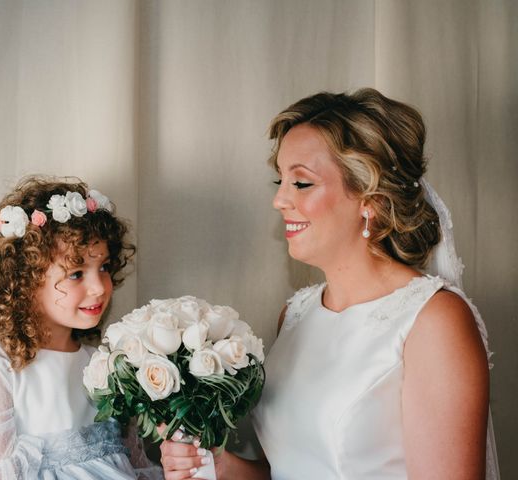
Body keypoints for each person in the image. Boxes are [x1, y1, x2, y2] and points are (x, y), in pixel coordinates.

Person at [159, 89, 500, 479]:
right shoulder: (297, 314)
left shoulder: (433, 321)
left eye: (301, 183)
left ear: (369, 198)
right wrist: (221, 467)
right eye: (280, 181)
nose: (279, 201)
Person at [0, 175, 162, 479]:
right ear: (24, 282)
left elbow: (137, 466)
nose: (99, 287)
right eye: (76, 273)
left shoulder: (108, 365)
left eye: (103, 267)